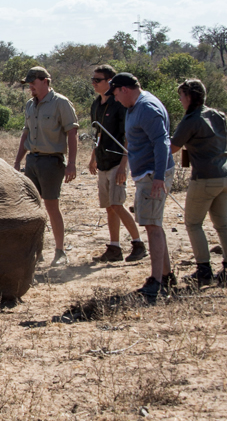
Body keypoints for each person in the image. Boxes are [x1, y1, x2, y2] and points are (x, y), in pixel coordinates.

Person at [108, 73, 176, 297]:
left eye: (116, 94)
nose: (115, 99)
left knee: (152, 226)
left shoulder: (147, 108)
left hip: (151, 175)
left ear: (124, 89)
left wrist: (158, 176)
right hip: (145, 174)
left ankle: (156, 281)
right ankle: (166, 276)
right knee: (153, 223)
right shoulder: (134, 107)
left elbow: (162, 142)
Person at [170, 79, 227, 287]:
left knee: (193, 223)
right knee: (223, 224)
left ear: (189, 97)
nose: (180, 100)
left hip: (205, 179)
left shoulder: (191, 119)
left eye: (182, 96)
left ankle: (203, 269)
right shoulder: (217, 115)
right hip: (226, 176)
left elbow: (172, 147)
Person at [12, 67, 79, 267]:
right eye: (28, 83)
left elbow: (72, 134)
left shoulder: (61, 103)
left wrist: (72, 164)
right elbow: (25, 134)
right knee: (31, 207)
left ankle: (60, 252)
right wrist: (17, 161)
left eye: (33, 82)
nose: (30, 86)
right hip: (32, 160)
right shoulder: (30, 105)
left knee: (51, 207)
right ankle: (35, 251)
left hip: (52, 161)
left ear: (45, 81)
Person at [87, 65, 146, 263]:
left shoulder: (119, 103)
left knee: (117, 204)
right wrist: (93, 156)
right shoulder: (96, 105)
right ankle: (114, 247)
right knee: (110, 207)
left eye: (98, 80)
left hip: (117, 162)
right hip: (103, 160)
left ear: (110, 82)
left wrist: (123, 164)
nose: (94, 83)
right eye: (93, 80)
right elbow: (98, 133)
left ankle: (138, 244)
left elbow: (127, 135)